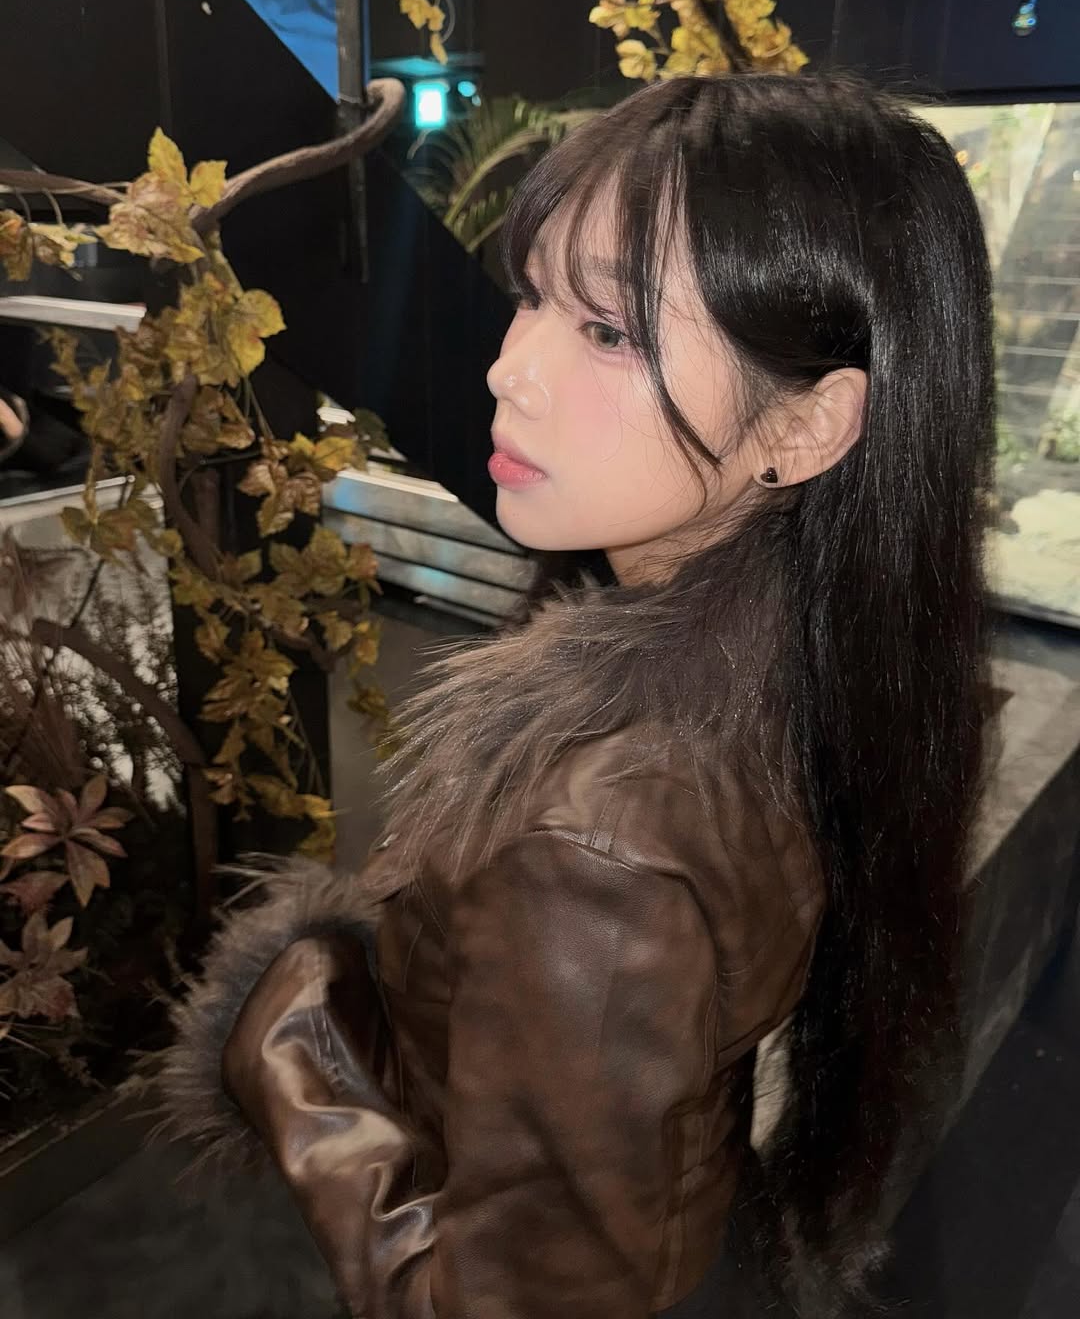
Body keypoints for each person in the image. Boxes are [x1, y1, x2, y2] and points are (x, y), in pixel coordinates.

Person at [158, 73, 998, 1318]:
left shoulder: (600, 843)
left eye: (610, 330)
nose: (512, 369)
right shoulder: (815, 648)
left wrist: (289, 1033)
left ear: (809, 427)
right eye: (534, 295)